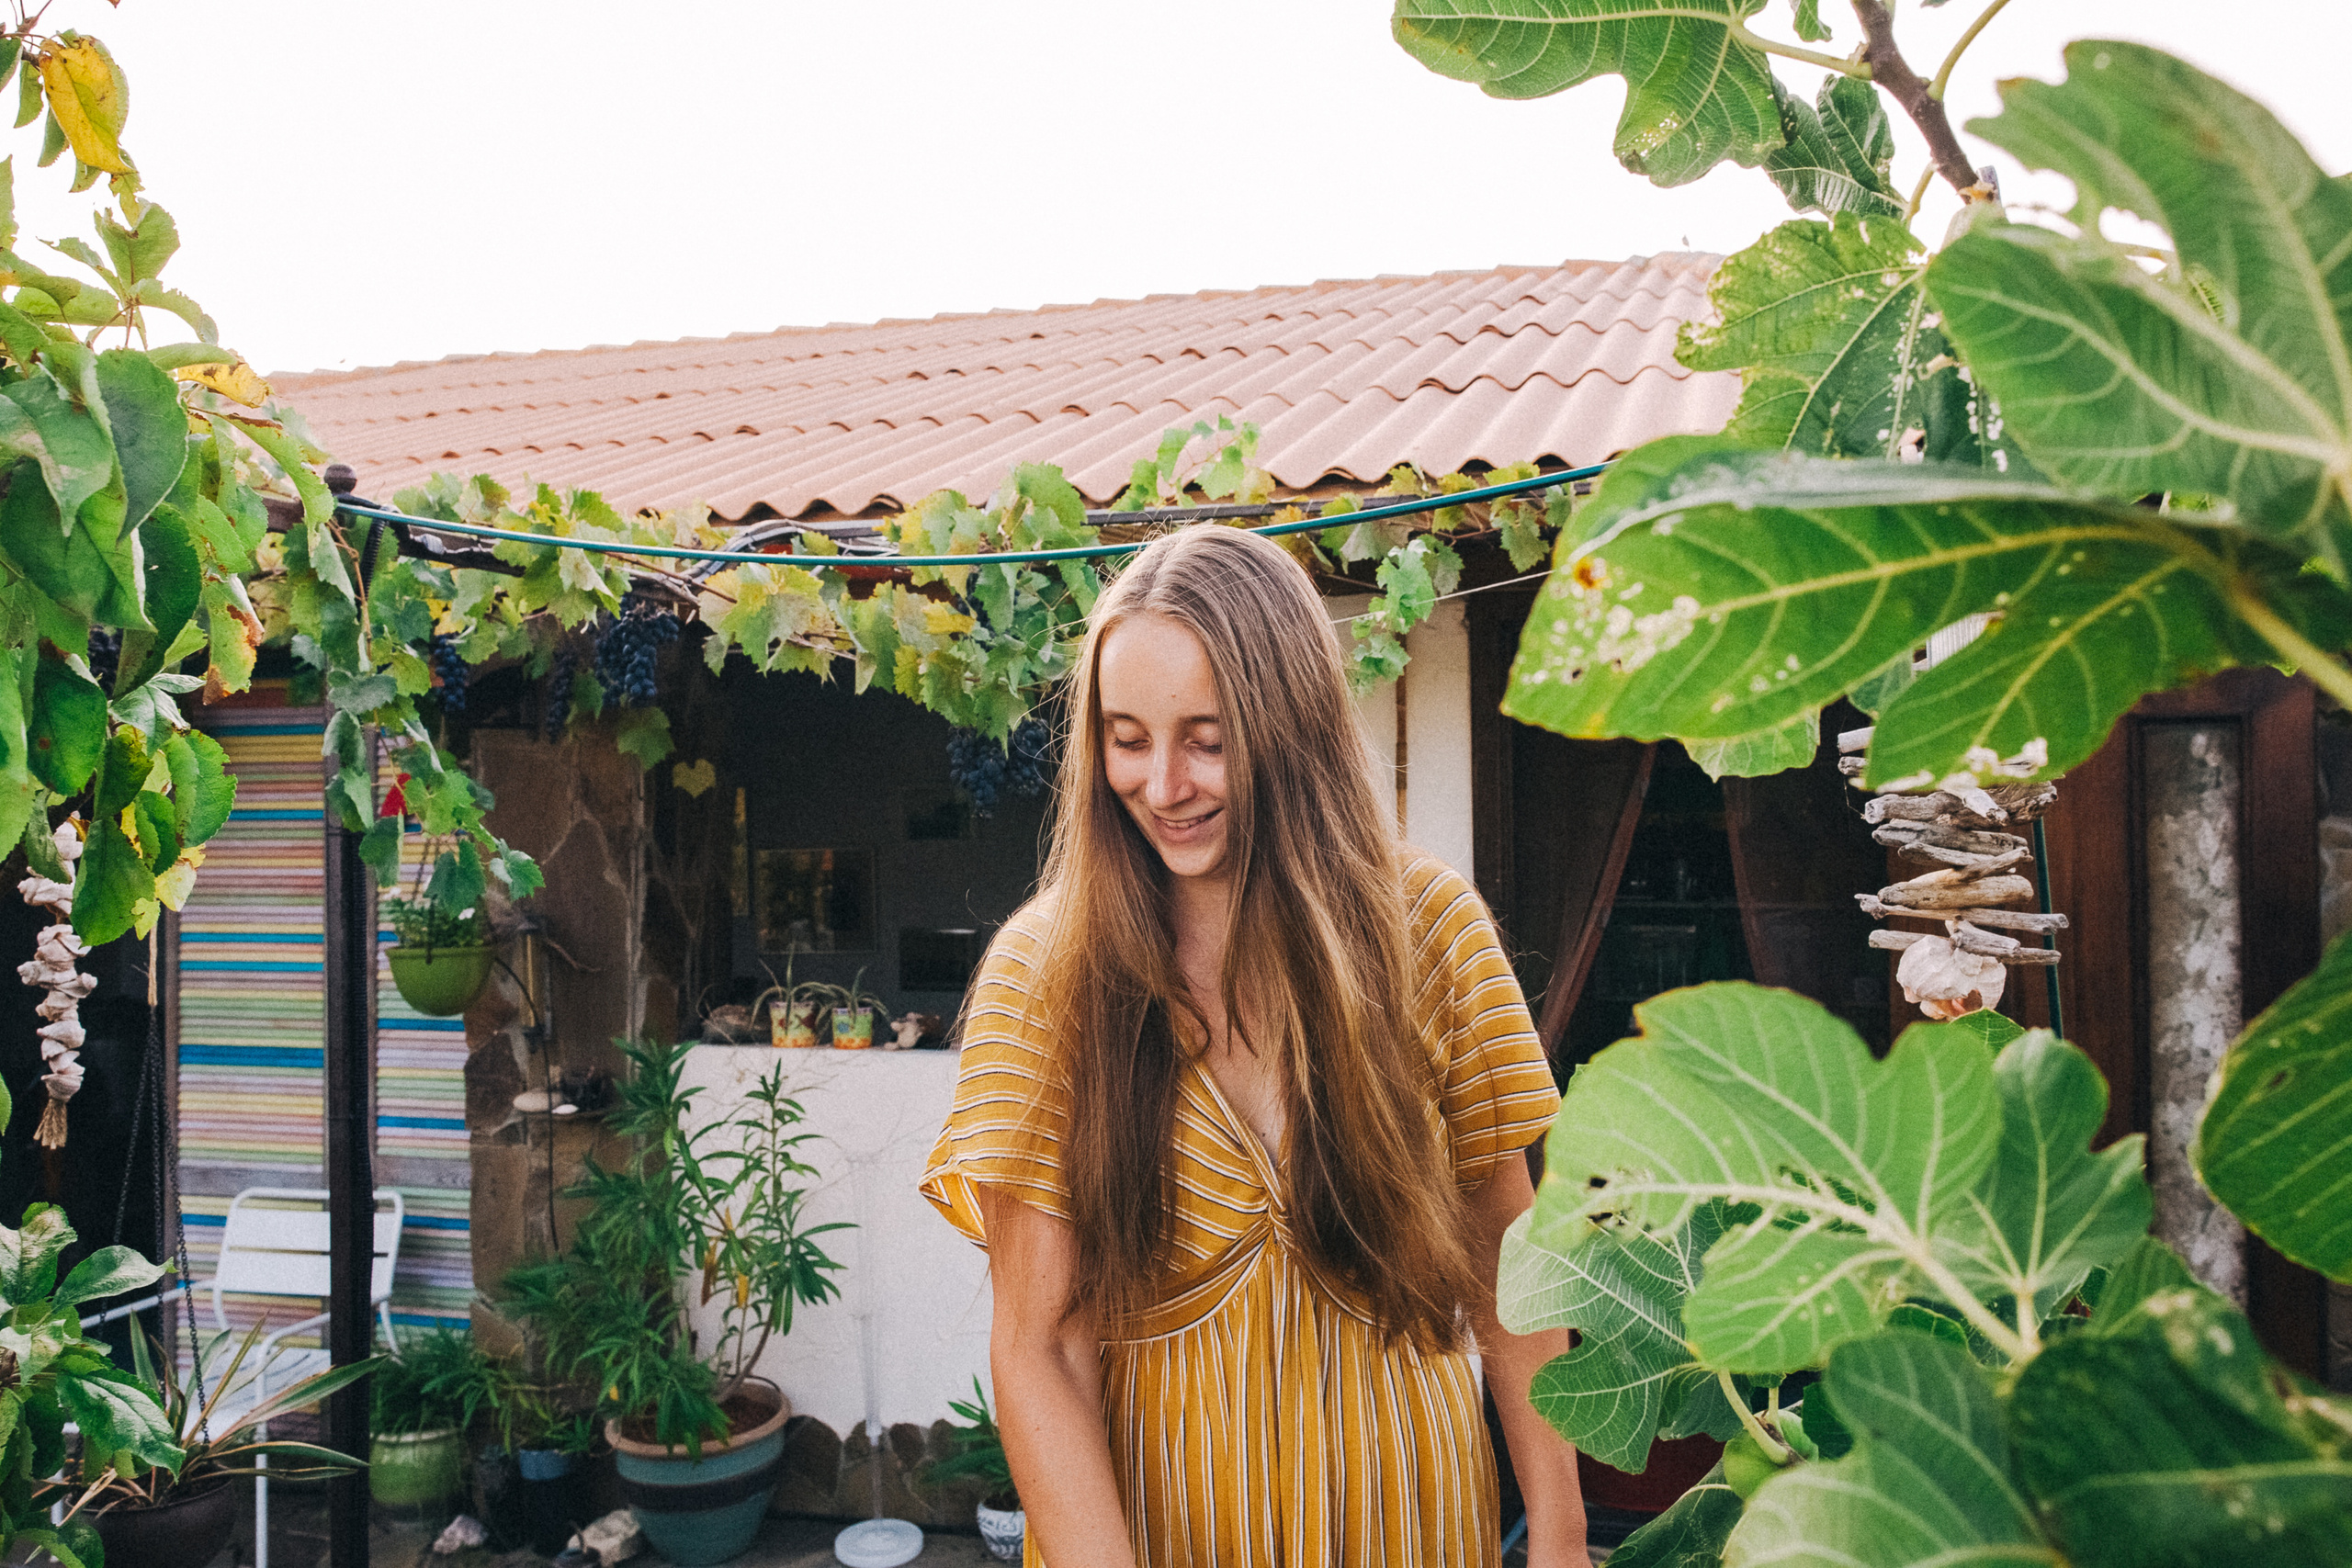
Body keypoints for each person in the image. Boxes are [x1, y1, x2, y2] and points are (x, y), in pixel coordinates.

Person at [922, 525, 1589, 1567]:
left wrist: (1558, 1534)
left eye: (1208, 735)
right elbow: (1038, 1342)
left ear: (1292, 727)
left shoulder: (1431, 935)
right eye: (1127, 736)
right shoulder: (1046, 975)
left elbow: (1508, 1258)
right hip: (1155, 1530)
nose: (1162, 783)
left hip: (1413, 1519)